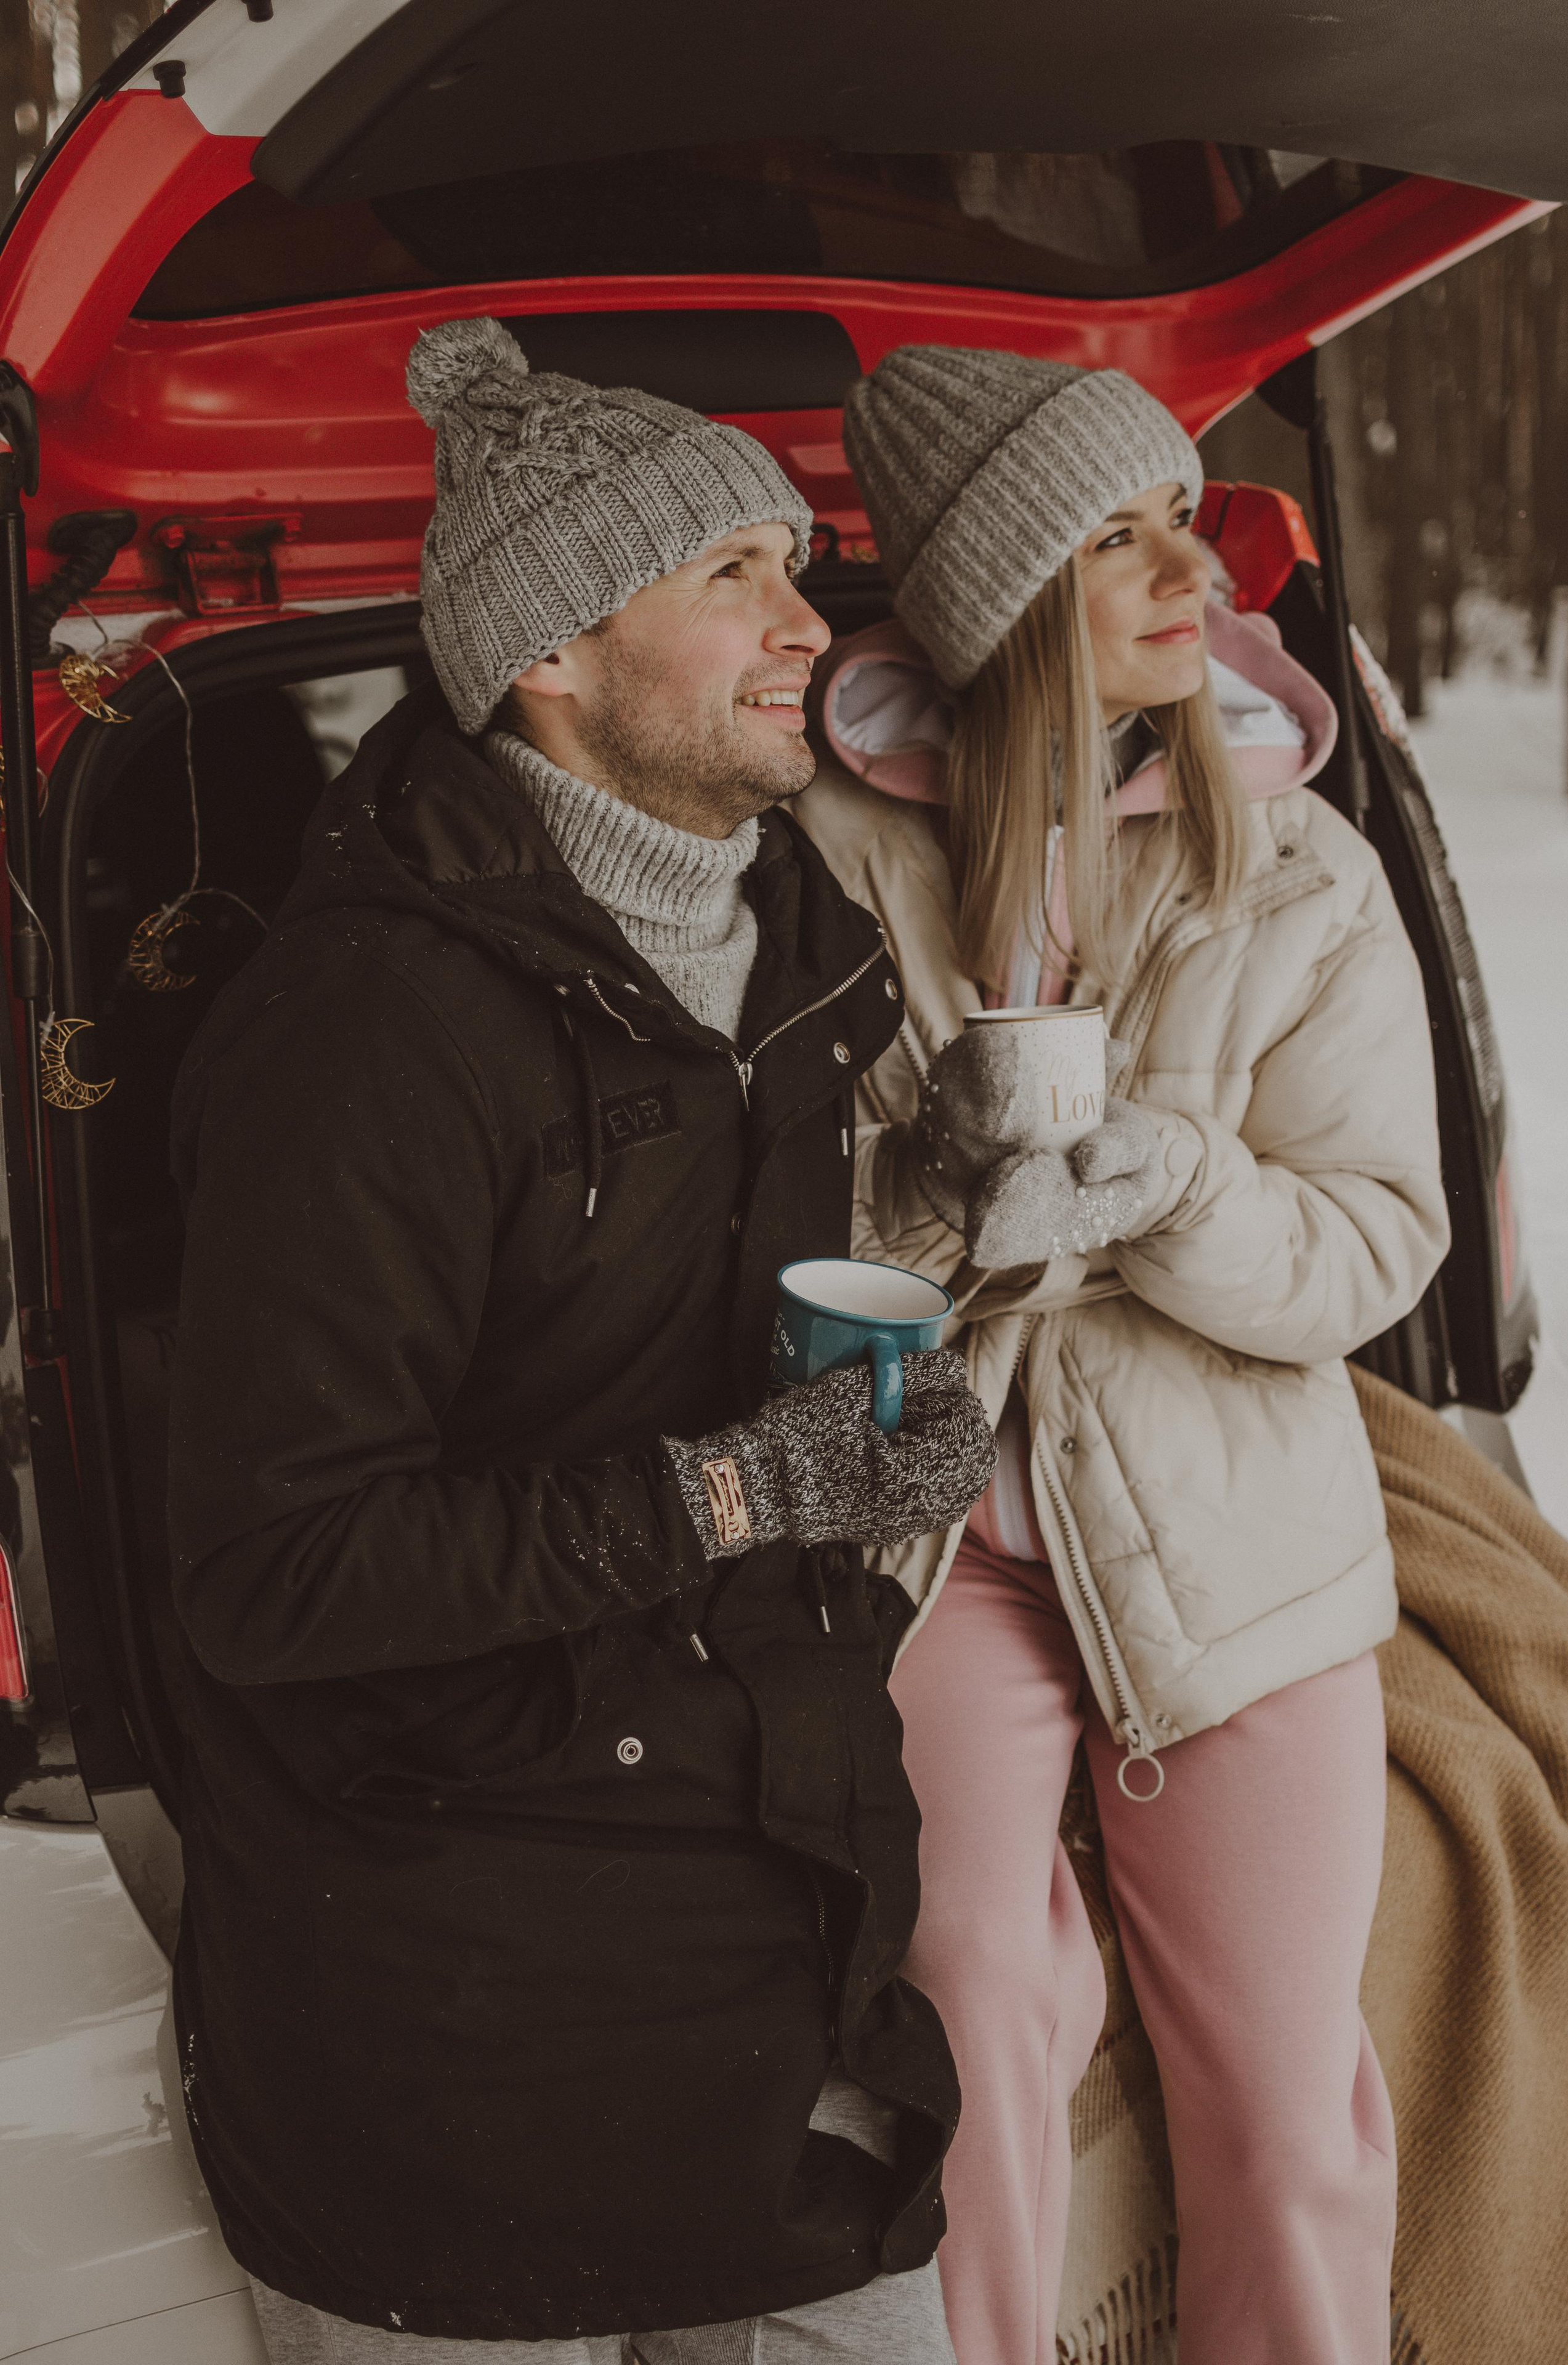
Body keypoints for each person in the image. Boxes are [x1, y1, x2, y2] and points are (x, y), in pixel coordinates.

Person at [164, 317, 996, 2365]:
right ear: (550, 652)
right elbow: (277, 1574)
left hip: (772, 1952)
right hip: (461, 2028)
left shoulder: (792, 962)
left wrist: (889, 1428)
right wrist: (730, 1491)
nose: (809, 620)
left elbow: (707, 1373)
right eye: (734, 574)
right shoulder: (370, 1029)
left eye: (795, 563)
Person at [796, 344, 1451, 2365]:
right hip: (939, 1527)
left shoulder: (1307, 873)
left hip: (1234, 1538)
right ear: (999, 602)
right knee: (971, 1994)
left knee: (1280, 2095)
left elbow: (1374, 1243)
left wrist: (1171, 1182)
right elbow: (761, 1231)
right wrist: (924, 1194)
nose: (1195, 570)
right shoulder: (830, 857)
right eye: (1119, 537)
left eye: (1183, 513)